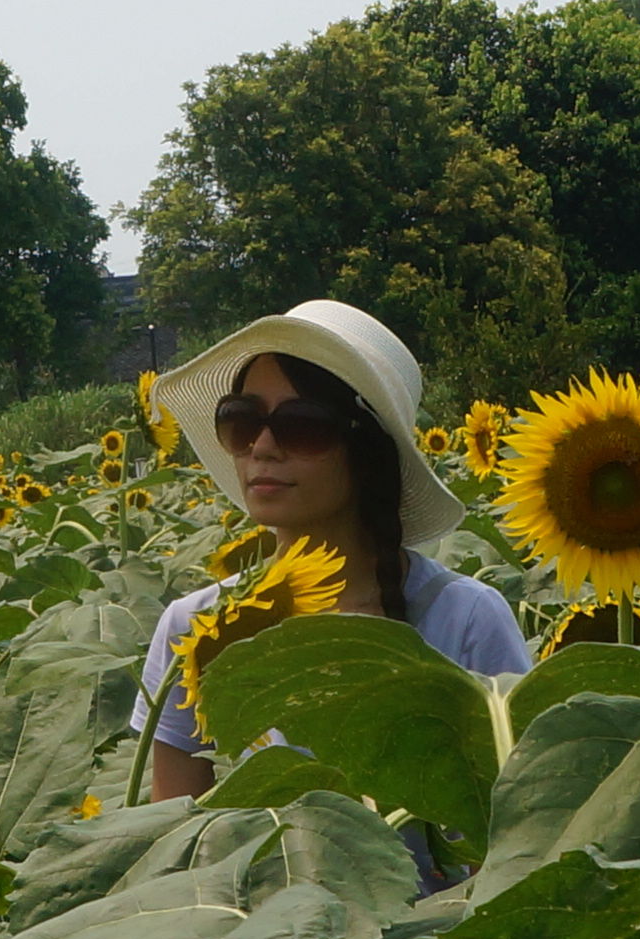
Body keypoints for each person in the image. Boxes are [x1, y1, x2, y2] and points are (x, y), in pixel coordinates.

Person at [136, 299, 526, 802]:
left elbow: (512, 830)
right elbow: (175, 845)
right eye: (242, 420)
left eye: (303, 426)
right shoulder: (196, 629)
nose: (263, 447)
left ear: (367, 453)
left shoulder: (464, 618)